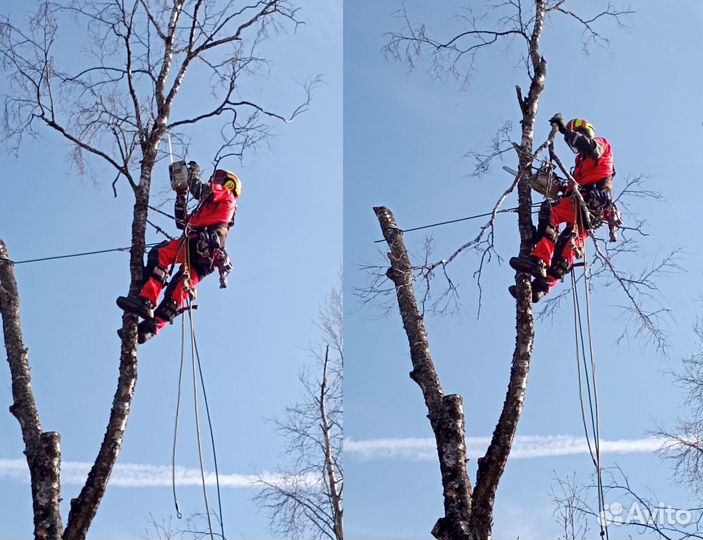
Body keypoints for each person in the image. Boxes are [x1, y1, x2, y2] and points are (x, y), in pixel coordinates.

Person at [117, 162, 241, 343]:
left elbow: (202, 192)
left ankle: (146, 300)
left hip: (202, 242)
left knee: (161, 253)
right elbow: (182, 222)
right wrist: (181, 196)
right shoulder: (208, 210)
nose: (214, 182)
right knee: (180, 288)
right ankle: (149, 328)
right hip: (207, 255)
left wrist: (191, 175)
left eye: (217, 179)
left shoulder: (226, 194)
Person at [509, 114, 615, 302]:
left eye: (576, 136)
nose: (575, 146)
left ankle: (539, 259)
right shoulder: (579, 164)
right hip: (584, 207)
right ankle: (540, 288)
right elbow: (572, 186)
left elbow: (590, 149)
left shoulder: (601, 145)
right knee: (568, 245)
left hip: (590, 202)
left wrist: (565, 130)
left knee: (551, 211)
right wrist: (553, 185)